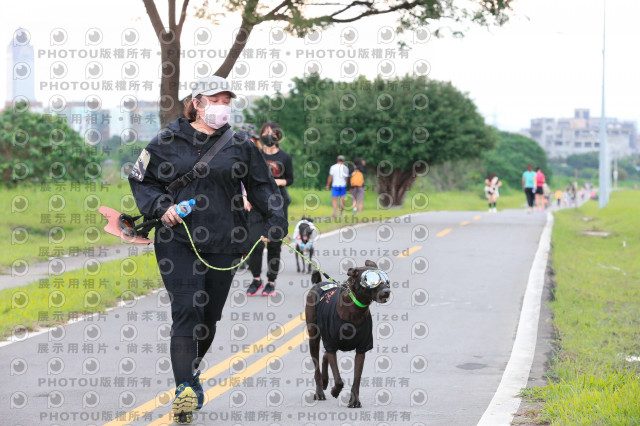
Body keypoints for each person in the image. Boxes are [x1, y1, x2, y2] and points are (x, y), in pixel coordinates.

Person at [128, 75, 287, 424]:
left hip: (224, 241)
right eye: (215, 99)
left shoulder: (241, 145)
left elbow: (262, 186)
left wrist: (275, 218)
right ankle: (184, 387)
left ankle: (193, 371)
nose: (222, 106)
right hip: (177, 240)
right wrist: (159, 207)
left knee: (208, 317)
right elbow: (142, 179)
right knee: (186, 309)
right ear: (197, 103)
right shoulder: (167, 140)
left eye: (227, 100)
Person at [245, 121, 294, 297]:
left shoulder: (285, 157)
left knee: (274, 244)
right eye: (265, 131)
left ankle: (271, 282)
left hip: (278, 203)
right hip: (257, 204)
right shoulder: (256, 155)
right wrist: (245, 197)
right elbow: (247, 178)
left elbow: (290, 179)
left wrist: (276, 182)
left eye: (272, 132)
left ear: (278, 136)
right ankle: (256, 279)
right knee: (254, 243)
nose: (268, 135)